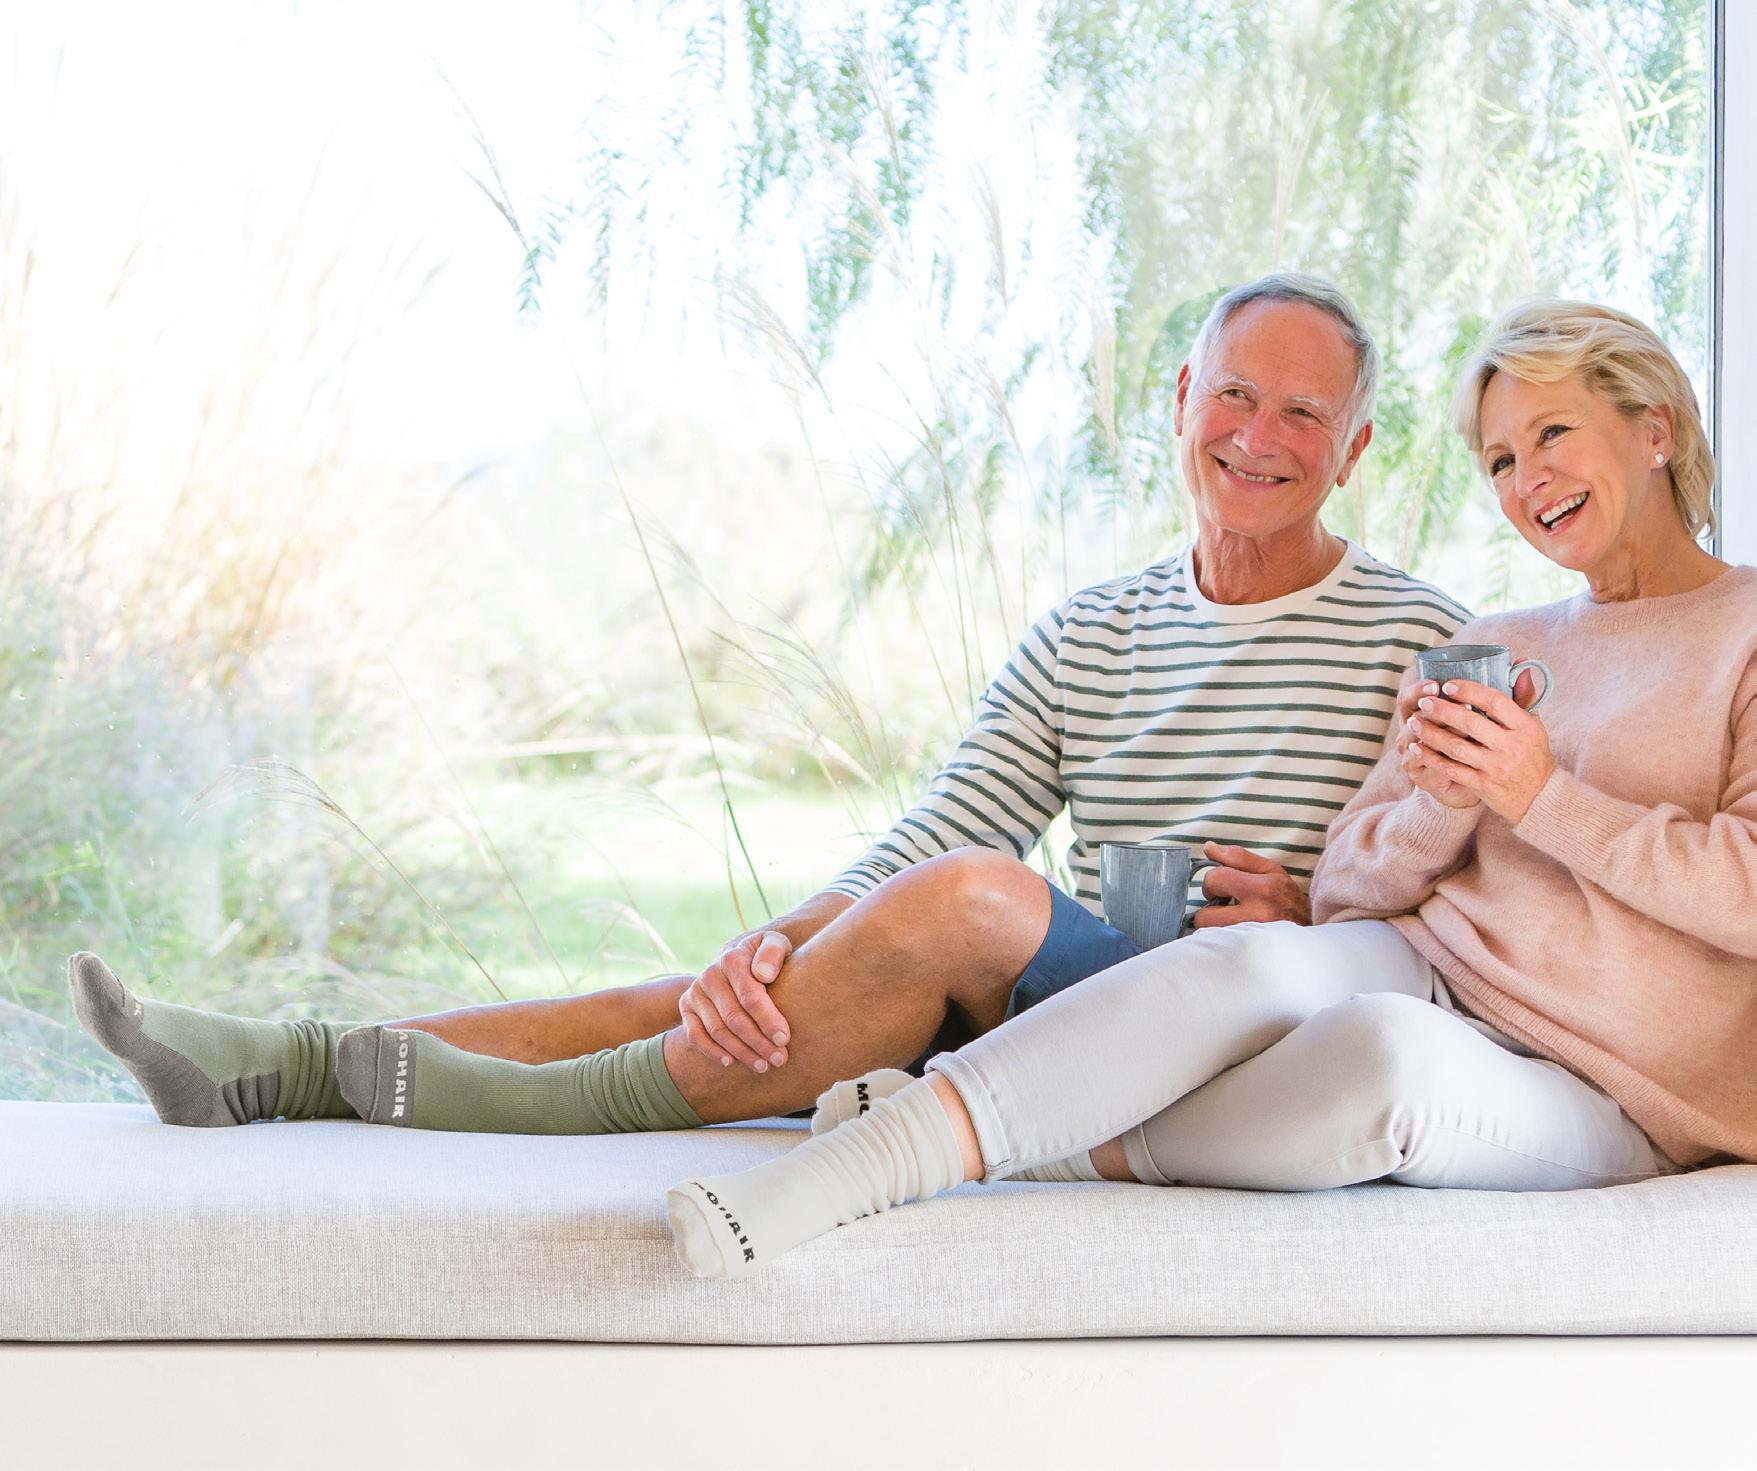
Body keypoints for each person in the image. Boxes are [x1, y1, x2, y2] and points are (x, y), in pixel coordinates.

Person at [69, 273, 1470, 1134]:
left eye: (1304, 416)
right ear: (1179, 399)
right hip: (1073, 1010)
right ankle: (277, 1064)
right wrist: (777, 938)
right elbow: (941, 827)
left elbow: (1477, 915)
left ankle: (568, 1103)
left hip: (1250, 1020)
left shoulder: (1419, 640)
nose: (1259, 438)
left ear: (1353, 447)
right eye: (1236, 395)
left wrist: (1313, 915)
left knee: (981, 900)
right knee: (707, 992)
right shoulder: (1092, 631)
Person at [661, 298, 1757, 1280]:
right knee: (1250, 961)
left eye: (1551, 434)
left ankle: (1028, 1141)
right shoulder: (1497, 640)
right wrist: (1446, 799)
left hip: (1614, 1080)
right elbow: (1351, 888)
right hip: (1432, 968)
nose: (1526, 481)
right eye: (1501, 460)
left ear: (1654, 428)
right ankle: (850, 1169)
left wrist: (1537, 793)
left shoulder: (1743, 630)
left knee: (1383, 1070)